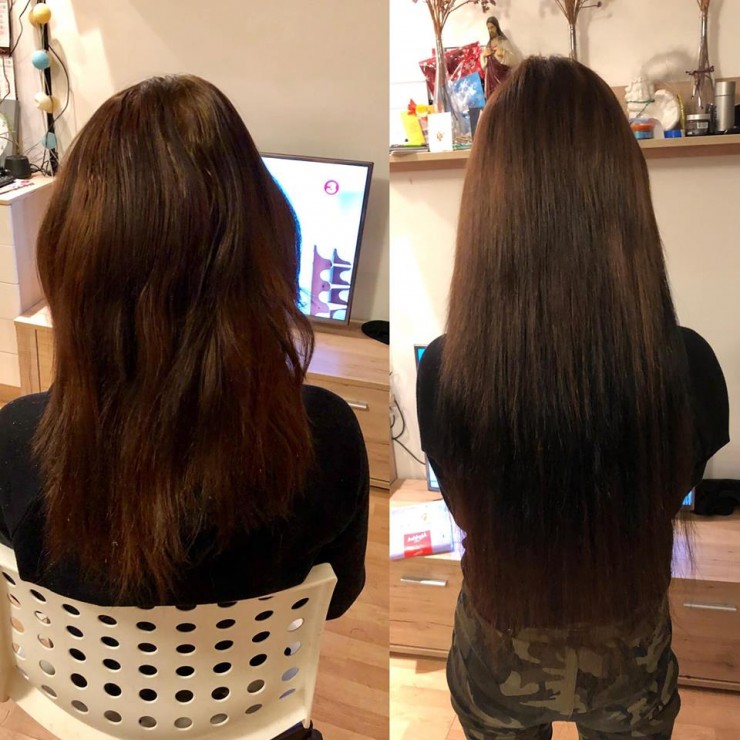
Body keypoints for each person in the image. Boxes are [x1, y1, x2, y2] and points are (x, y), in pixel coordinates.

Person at [417, 56, 729, 740]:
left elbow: (465, 508)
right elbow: (666, 494)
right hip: (630, 670)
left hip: (497, 664)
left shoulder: (443, 372)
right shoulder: (690, 369)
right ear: (625, 195)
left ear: (487, 208)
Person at [0, 75, 369, 625]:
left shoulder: (16, 440)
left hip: (79, 680)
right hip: (251, 681)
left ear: (73, 264)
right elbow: (336, 599)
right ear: (265, 245)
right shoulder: (326, 435)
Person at [482, 16, 516, 99]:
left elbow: (514, 60)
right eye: (488, 28)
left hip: (503, 77)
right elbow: (484, 65)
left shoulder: (504, 42)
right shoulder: (488, 44)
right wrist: (483, 56)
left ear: (496, 26)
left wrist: (503, 53)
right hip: (491, 79)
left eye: (492, 27)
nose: (490, 30)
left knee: (503, 97)